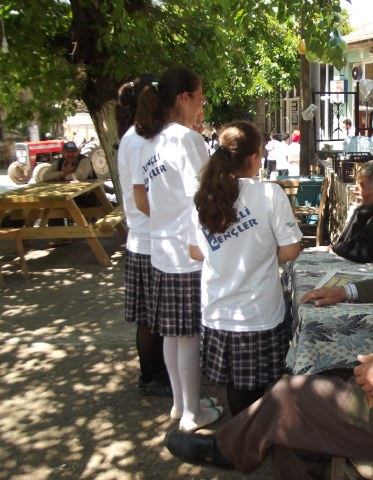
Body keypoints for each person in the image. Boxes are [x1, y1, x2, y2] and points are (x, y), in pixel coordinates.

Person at [164, 189, 373, 480]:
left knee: (289, 393)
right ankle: (237, 445)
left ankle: (224, 449)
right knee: (291, 430)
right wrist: (347, 292)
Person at [189, 121, 302, 418]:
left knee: (236, 384)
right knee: (260, 383)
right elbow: (291, 249)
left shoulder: (201, 197)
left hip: (218, 309)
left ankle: (243, 435)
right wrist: (260, 253)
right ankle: (251, 439)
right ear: (253, 157)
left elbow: (194, 251)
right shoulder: (269, 194)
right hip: (258, 312)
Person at [135, 66, 221, 432]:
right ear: (184, 97)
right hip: (186, 252)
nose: (202, 104)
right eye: (200, 97)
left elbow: (146, 198)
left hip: (161, 249)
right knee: (188, 333)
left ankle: (180, 404)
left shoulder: (149, 141)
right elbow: (205, 197)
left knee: (173, 332)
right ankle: (191, 414)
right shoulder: (187, 139)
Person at [115, 73, 172, 397]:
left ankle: (159, 371)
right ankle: (149, 377)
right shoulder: (137, 141)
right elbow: (142, 199)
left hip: (153, 239)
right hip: (147, 241)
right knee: (150, 319)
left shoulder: (141, 138)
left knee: (156, 316)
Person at [310, 160, 373, 263]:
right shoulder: (369, 208)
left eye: (362, 186)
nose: (355, 190)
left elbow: (365, 251)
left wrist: (333, 248)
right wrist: (332, 248)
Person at [41, 141, 103, 245]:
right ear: (63, 153)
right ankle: (60, 236)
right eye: (68, 152)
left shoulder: (84, 160)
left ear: (77, 151)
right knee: (53, 203)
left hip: (88, 196)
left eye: (73, 151)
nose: (71, 154)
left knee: (70, 203)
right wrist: (63, 173)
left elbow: (79, 176)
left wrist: (61, 176)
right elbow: (45, 176)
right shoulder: (60, 163)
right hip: (69, 196)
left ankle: (86, 231)